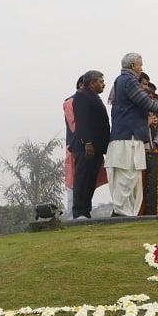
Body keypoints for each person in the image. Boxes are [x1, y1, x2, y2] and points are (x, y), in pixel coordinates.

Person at [107, 53, 158, 216]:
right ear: (132, 66)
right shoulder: (129, 82)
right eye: (140, 65)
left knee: (131, 176)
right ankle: (122, 212)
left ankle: (127, 212)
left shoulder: (119, 81)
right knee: (127, 175)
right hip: (128, 137)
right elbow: (146, 102)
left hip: (124, 137)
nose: (141, 68)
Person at [70, 70, 110, 219]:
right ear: (92, 83)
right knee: (82, 179)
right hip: (86, 147)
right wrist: (87, 143)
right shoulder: (81, 97)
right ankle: (79, 211)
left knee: (90, 180)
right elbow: (82, 122)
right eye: (100, 81)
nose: (103, 84)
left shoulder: (94, 98)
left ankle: (85, 211)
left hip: (97, 148)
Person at [62, 75, 84, 220]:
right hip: (74, 147)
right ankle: (72, 216)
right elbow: (74, 126)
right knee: (73, 183)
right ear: (82, 85)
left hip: (82, 148)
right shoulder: (70, 102)